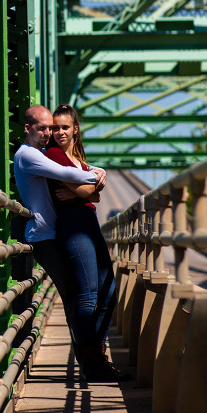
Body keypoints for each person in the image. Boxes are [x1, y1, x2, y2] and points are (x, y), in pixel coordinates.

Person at [13, 106, 104, 364]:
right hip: (43, 236)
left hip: (53, 233)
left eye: (50, 127)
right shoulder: (27, 155)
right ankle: (89, 359)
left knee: (75, 296)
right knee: (74, 297)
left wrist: (96, 170)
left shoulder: (39, 153)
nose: (47, 133)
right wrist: (95, 175)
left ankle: (87, 354)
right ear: (28, 128)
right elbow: (64, 172)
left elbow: (68, 165)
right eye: (41, 128)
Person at [45, 104, 127, 382]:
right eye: (54, 128)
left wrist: (86, 190)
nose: (58, 132)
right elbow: (89, 192)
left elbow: (94, 195)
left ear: (75, 129)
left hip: (87, 222)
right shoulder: (54, 155)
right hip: (72, 224)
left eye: (64, 127)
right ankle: (92, 363)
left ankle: (97, 353)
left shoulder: (78, 159)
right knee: (89, 294)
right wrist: (87, 190)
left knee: (108, 289)